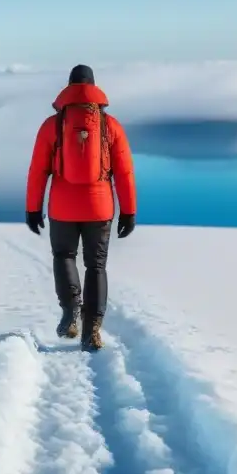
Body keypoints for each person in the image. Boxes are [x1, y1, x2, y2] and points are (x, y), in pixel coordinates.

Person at [25, 64, 137, 351]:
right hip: (99, 208)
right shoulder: (110, 125)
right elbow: (124, 173)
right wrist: (128, 211)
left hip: (62, 207)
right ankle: (92, 332)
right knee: (96, 266)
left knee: (64, 256)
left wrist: (33, 208)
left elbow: (38, 170)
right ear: (94, 87)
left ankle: (71, 311)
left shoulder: (52, 125)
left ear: (69, 87)